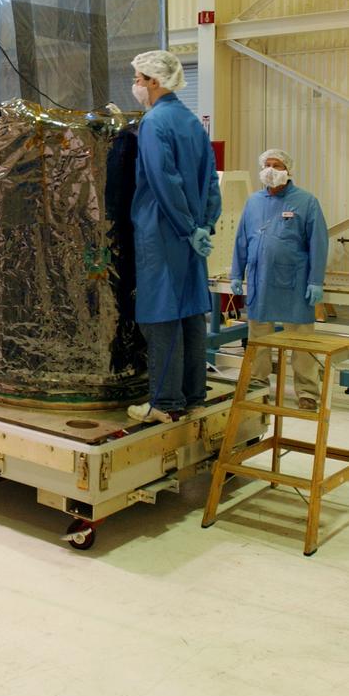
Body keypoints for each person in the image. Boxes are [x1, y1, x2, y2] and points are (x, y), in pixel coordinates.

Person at [127, 50, 221, 425]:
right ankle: (195, 396)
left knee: (162, 315)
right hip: (193, 236)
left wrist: (184, 226)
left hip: (163, 232)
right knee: (190, 315)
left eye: (137, 77)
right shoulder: (192, 122)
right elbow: (210, 179)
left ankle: (164, 402)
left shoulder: (155, 123)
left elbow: (164, 181)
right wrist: (204, 226)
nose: (135, 84)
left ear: (153, 80)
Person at [230, 148, 328, 409]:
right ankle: (257, 385)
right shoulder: (253, 202)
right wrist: (236, 274)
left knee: (301, 339)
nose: (271, 169)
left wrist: (316, 280)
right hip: (260, 281)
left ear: (288, 170)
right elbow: (242, 239)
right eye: (268, 164)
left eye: (278, 165)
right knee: (259, 338)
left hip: (294, 282)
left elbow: (319, 243)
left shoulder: (306, 202)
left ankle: (307, 393)